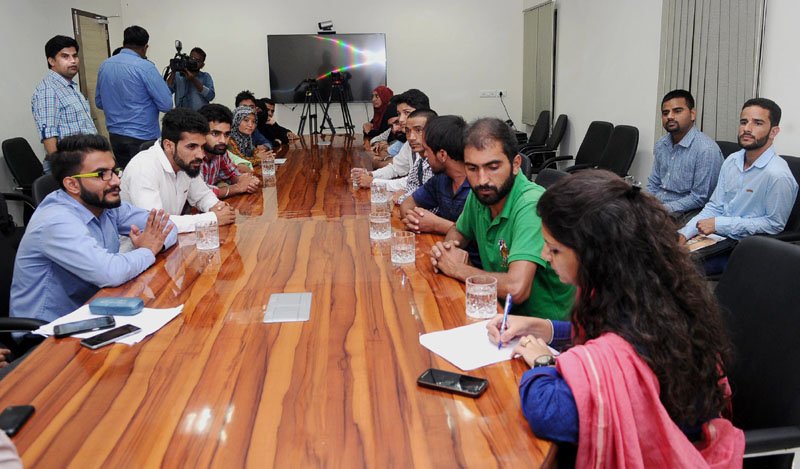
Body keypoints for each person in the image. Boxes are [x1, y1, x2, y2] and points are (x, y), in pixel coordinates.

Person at [487, 170, 743, 467]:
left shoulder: (635, 327)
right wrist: (543, 328)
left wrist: (544, 362)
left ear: (593, 253)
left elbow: (551, 412)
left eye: (554, 248)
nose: (545, 255)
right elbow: (606, 345)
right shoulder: (644, 287)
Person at [10, 134, 177, 322]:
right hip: (47, 332)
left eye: (114, 171)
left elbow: (168, 226)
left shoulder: (104, 202)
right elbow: (110, 273)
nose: (115, 181)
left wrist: (154, 243)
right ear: (72, 184)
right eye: (101, 174)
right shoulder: (56, 221)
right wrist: (148, 249)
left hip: (96, 308)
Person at [430, 118, 574, 320]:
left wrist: (458, 268)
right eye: (472, 168)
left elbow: (517, 289)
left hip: (544, 332)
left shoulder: (531, 205)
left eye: (493, 167)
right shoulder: (482, 195)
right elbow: (459, 231)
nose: (482, 180)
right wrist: (448, 250)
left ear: (516, 164)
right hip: (499, 315)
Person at [678, 98, 798, 275]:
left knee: (673, 271)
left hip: (744, 250)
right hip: (714, 239)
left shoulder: (778, 175)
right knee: (657, 254)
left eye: (757, 123)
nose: (747, 129)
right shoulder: (732, 161)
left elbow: (773, 225)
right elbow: (714, 206)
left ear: (774, 132)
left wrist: (721, 224)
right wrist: (685, 233)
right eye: (744, 122)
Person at [120, 108, 236, 233]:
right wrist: (212, 218)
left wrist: (217, 207)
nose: (201, 155)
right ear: (168, 145)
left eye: (202, 146)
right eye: (192, 146)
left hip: (172, 241)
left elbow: (202, 196)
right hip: (135, 248)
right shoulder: (143, 167)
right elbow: (157, 224)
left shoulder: (186, 163)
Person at [400, 115, 480, 267]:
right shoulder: (441, 179)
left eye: (427, 151)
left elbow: (482, 238)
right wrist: (418, 221)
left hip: (475, 268)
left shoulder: (480, 186)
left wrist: (436, 224)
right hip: (446, 257)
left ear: (442, 155)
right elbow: (406, 205)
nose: (424, 156)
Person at [95, 25, 173, 168]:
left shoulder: (105, 65)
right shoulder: (145, 67)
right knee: (145, 180)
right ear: (145, 47)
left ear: (124, 43)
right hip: (142, 137)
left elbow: (99, 102)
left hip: (115, 135)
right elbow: (167, 105)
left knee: (126, 179)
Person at [647, 89, 723, 220]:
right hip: (658, 208)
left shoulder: (706, 149)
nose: (670, 116)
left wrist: (662, 209)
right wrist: (644, 204)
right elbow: (654, 183)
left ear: (692, 114)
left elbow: (700, 198)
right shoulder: (661, 144)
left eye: (677, 111)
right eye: (665, 113)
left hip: (686, 213)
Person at [31, 35, 97, 173]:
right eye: (65, 56)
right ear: (51, 61)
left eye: (75, 56)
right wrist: (61, 170)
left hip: (85, 160)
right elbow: (49, 135)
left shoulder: (70, 87)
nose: (73, 61)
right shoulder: (48, 89)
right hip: (68, 165)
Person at [352, 89, 430, 193]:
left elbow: (415, 182)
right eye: (398, 114)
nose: (401, 119)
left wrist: (373, 182)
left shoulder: (432, 143)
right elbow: (396, 168)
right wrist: (370, 174)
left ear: (422, 113)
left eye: (406, 113)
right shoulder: (410, 141)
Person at [197, 104, 259, 199]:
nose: (222, 140)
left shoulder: (219, 152)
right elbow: (201, 193)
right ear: (200, 133)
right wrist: (237, 188)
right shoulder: (193, 156)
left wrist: (246, 180)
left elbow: (232, 174)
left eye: (226, 134)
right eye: (215, 134)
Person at [400, 109, 436, 200]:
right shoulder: (420, 161)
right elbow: (411, 187)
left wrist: (402, 197)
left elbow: (427, 201)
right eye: (408, 131)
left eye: (419, 130)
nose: (411, 138)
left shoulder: (436, 162)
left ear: (433, 131)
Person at [228, 106, 275, 170]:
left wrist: (267, 156)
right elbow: (241, 161)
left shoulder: (247, 139)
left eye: (253, 121)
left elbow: (256, 152)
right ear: (236, 121)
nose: (250, 125)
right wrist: (259, 158)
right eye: (246, 120)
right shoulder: (228, 139)